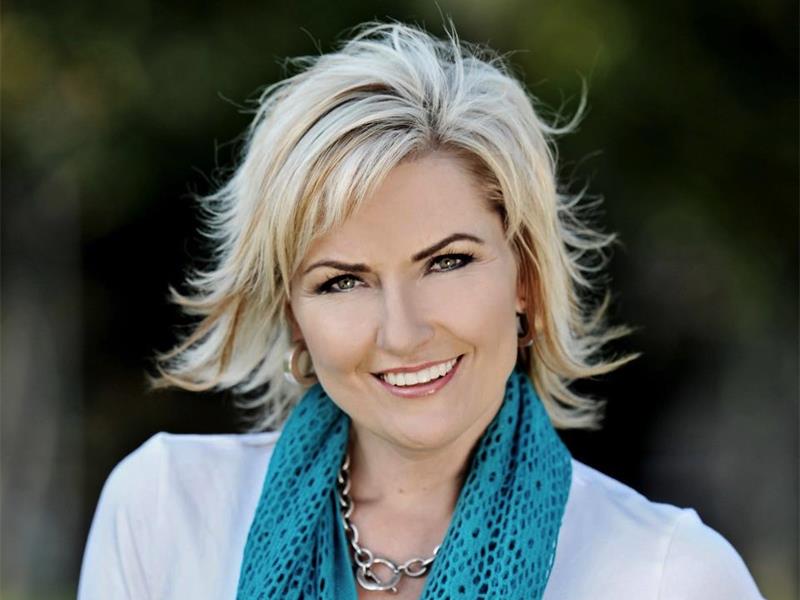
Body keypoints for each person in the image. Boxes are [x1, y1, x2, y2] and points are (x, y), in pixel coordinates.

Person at [77, 21, 764, 600]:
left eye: (448, 262)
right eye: (343, 282)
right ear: (292, 315)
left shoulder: (669, 574)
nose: (403, 333)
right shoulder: (167, 510)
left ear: (525, 280)